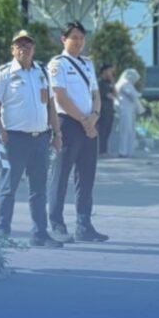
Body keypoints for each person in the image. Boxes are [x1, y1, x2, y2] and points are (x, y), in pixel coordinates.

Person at [0, 29, 64, 247]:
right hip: (15, 139)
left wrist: (57, 133)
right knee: (8, 187)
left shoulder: (42, 72)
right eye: (20, 45)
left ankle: (40, 233)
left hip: (40, 138)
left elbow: (50, 106)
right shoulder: (4, 73)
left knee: (39, 190)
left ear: (34, 48)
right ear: (12, 49)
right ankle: (2, 231)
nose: (24, 48)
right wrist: (0, 131)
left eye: (28, 45)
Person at [47, 20, 109, 243]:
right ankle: (57, 224)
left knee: (86, 177)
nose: (79, 42)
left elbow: (96, 95)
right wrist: (84, 121)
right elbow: (60, 97)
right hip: (68, 124)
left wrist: (94, 117)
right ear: (63, 39)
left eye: (82, 38)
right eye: (74, 38)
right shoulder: (58, 64)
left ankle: (84, 226)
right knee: (61, 175)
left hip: (89, 125)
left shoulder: (87, 64)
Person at [115, 68, 143, 158]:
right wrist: (138, 94)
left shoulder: (127, 84)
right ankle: (123, 151)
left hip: (129, 109)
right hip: (125, 109)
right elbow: (132, 94)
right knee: (125, 130)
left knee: (130, 131)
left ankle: (129, 151)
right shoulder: (124, 83)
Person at [97, 63, 116, 157]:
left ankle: (104, 150)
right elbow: (109, 96)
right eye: (109, 71)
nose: (111, 73)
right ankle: (101, 151)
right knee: (102, 131)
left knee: (107, 131)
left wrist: (112, 81)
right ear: (104, 71)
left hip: (109, 110)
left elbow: (115, 93)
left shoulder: (108, 83)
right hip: (103, 110)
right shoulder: (100, 82)